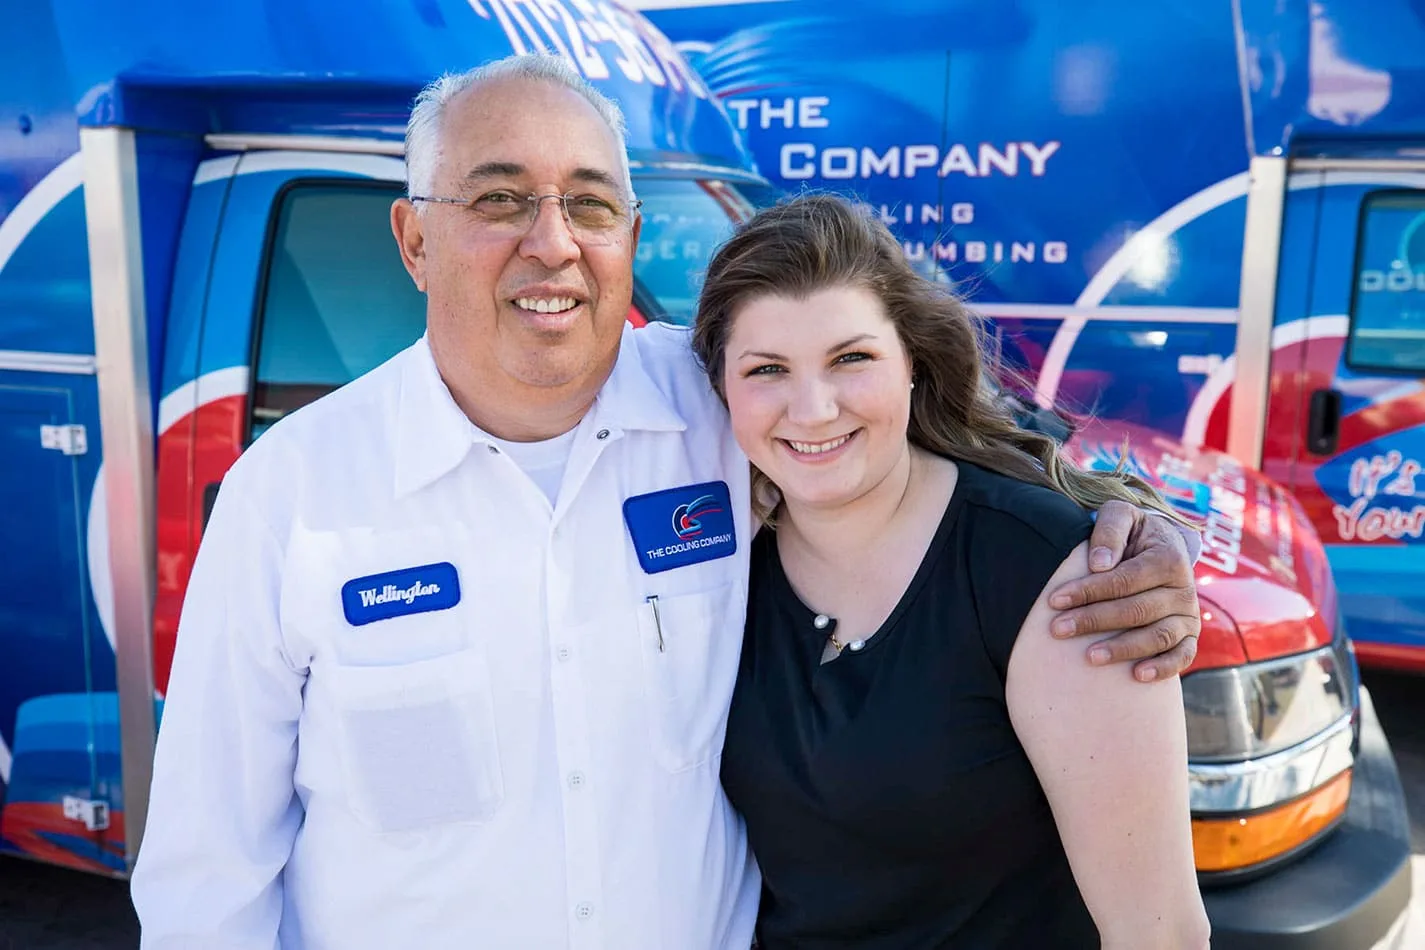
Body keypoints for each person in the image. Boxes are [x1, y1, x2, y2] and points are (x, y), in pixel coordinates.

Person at [130, 55, 1202, 949]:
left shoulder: (724, 409)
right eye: (500, 199)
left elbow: (905, 431)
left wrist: (1118, 526)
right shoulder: (291, 493)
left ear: (631, 238)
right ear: (414, 240)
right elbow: (206, 872)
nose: (553, 242)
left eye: (590, 204)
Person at [693, 193, 1211, 950]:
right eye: (767, 369)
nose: (812, 409)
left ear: (912, 362)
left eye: (851, 359)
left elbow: (1158, 933)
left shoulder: (1051, 576)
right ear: (721, 390)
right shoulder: (723, 565)